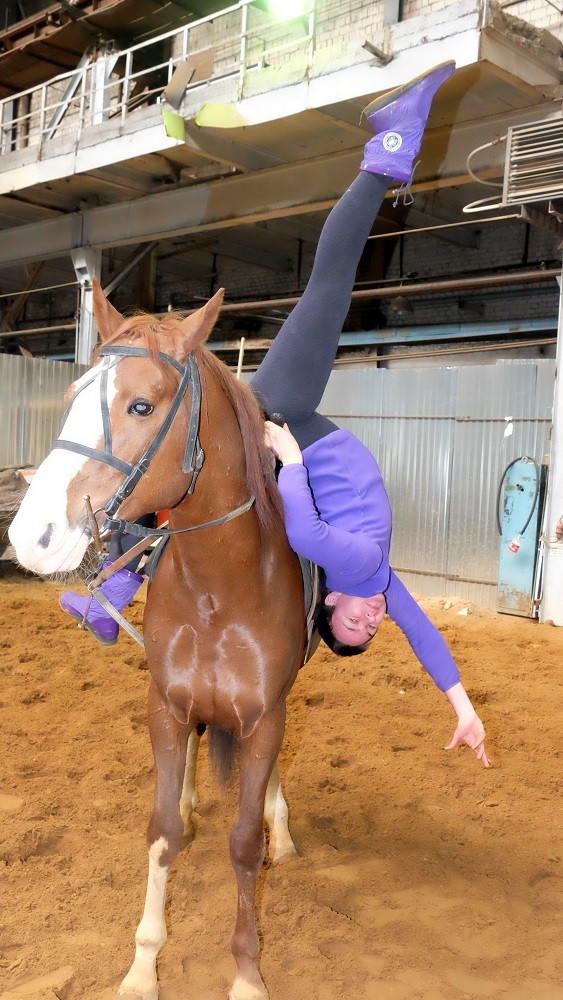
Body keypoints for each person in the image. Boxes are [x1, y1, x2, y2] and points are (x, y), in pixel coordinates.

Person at [61, 62, 490, 767]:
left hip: (284, 434)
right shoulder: (375, 578)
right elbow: (427, 641)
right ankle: (384, 155)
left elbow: (302, 528)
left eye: (353, 625)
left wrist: (287, 460)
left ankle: (118, 581)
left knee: (178, 465)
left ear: (328, 610)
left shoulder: (344, 562)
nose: (371, 618)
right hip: (299, 437)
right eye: (370, 625)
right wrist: (462, 707)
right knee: (323, 295)